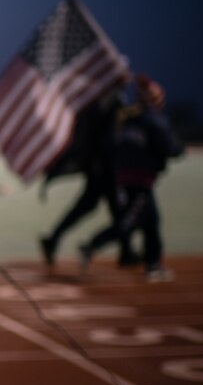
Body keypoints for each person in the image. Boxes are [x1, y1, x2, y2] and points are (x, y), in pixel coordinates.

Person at [79, 74, 184, 282]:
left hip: (127, 178)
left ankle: (153, 264)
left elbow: (111, 144)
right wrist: (176, 148)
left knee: (151, 222)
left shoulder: (128, 120)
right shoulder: (151, 120)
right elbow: (170, 148)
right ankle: (92, 245)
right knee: (129, 223)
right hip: (140, 180)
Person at [38, 78, 136, 268]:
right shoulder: (107, 104)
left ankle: (125, 250)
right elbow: (104, 138)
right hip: (104, 168)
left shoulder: (103, 103)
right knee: (115, 210)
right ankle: (118, 249)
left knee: (100, 208)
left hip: (101, 166)